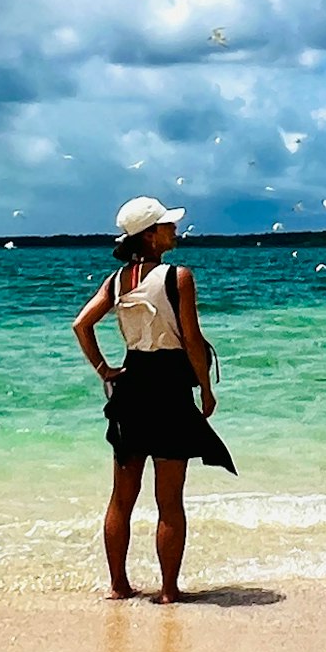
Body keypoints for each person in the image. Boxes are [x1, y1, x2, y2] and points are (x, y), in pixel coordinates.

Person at [71, 194, 230, 601]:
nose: (174, 230)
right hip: (169, 388)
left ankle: (119, 586)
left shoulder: (117, 281)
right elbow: (192, 341)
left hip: (132, 385)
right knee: (169, 500)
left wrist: (105, 370)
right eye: (167, 225)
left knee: (122, 497)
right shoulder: (178, 277)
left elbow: (81, 325)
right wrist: (207, 390)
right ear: (151, 236)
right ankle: (169, 591)